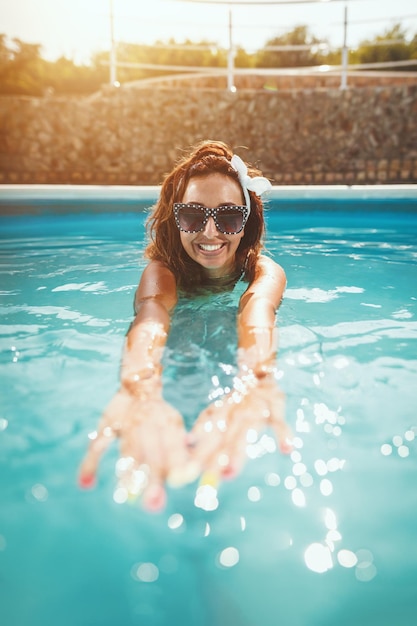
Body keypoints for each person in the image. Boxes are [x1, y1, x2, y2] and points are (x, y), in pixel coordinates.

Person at [78, 140, 292, 511]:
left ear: (247, 223)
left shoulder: (263, 273)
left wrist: (256, 380)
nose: (210, 232)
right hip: (173, 380)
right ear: (175, 221)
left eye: (228, 217)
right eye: (193, 215)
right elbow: (151, 316)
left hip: (230, 379)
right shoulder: (162, 274)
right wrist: (139, 385)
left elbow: (257, 314)